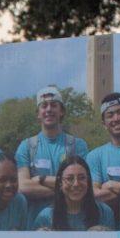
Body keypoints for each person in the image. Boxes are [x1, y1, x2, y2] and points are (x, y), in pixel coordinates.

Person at [14, 85, 89, 222]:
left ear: (61, 111)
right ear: (38, 113)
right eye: (44, 106)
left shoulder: (78, 145)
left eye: (54, 105)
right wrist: (67, 189)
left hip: (71, 224)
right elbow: (23, 186)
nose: (49, 109)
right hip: (35, 225)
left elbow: (84, 184)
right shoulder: (27, 146)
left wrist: (41, 179)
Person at [32, 156, 115, 230]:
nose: (76, 184)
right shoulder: (45, 217)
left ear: (88, 181)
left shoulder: (104, 212)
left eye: (82, 178)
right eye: (69, 179)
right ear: (60, 182)